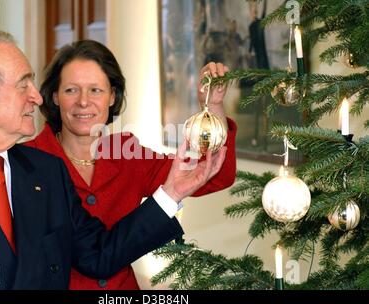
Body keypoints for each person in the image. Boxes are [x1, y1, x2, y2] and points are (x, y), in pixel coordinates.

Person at [0, 31, 227, 289]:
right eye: (23, 84)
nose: (36, 97)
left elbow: (99, 255)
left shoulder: (45, 173)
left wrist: (170, 192)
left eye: (96, 89)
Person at [24, 40, 237, 290]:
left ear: (112, 96)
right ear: (54, 96)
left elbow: (215, 173)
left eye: (96, 90)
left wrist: (212, 105)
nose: (84, 101)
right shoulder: (26, 161)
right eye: (71, 90)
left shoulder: (128, 154)